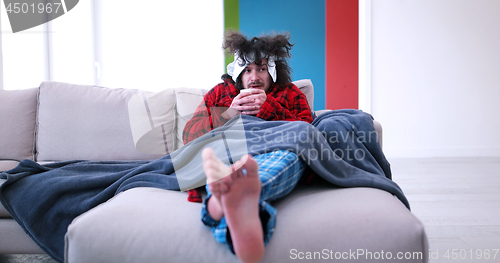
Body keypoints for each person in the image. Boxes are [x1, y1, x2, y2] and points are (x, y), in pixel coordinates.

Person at [182, 31, 313, 263]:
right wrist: (229, 113)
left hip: (275, 151)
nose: (254, 77)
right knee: (219, 163)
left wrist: (271, 108)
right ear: (237, 73)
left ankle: (217, 205)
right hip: (230, 152)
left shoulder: (289, 93)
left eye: (261, 69)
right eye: (248, 70)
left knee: (289, 157)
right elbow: (189, 134)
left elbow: (308, 133)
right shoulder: (219, 93)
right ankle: (232, 199)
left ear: (272, 72)